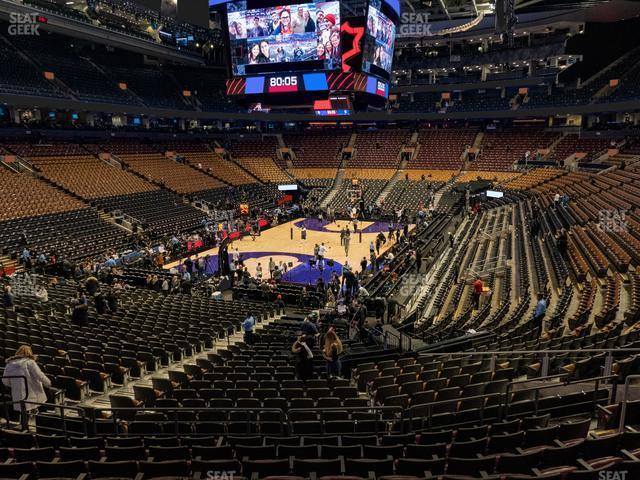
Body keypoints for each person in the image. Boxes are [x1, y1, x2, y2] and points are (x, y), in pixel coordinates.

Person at [2, 345, 51, 414]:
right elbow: (39, 375)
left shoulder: (9, 364)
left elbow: (5, 381)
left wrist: (15, 385)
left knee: (23, 412)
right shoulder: (30, 362)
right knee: (33, 412)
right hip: (32, 393)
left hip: (17, 394)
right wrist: (48, 383)